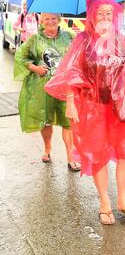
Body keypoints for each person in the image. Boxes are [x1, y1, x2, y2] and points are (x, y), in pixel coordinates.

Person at [45, 0, 125, 225]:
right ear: (91, 15)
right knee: (98, 152)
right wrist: (71, 101)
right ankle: (104, 202)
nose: (105, 17)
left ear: (115, 15)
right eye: (100, 13)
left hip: (123, 104)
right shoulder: (83, 41)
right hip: (94, 106)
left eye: (109, 13)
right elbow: (71, 72)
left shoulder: (123, 39)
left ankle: (122, 200)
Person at [14, 13, 81, 172]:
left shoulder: (70, 37)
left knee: (68, 122)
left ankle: (71, 158)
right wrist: (35, 68)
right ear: (42, 22)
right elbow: (20, 57)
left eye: (53, 18)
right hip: (43, 87)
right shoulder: (34, 39)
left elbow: (80, 56)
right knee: (46, 120)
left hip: (66, 88)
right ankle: (48, 148)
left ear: (59, 20)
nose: (50, 22)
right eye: (46, 19)